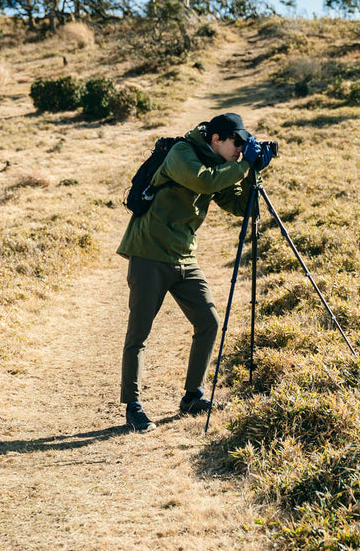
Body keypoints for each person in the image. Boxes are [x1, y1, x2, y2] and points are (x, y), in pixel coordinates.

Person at [117, 112, 273, 432]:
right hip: (149, 252)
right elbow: (204, 180)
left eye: (245, 145)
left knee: (209, 322)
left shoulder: (221, 165)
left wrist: (253, 172)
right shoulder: (182, 154)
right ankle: (133, 406)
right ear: (216, 139)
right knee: (139, 333)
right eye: (237, 143)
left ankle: (192, 396)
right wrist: (242, 166)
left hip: (184, 257)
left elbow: (243, 207)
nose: (240, 149)